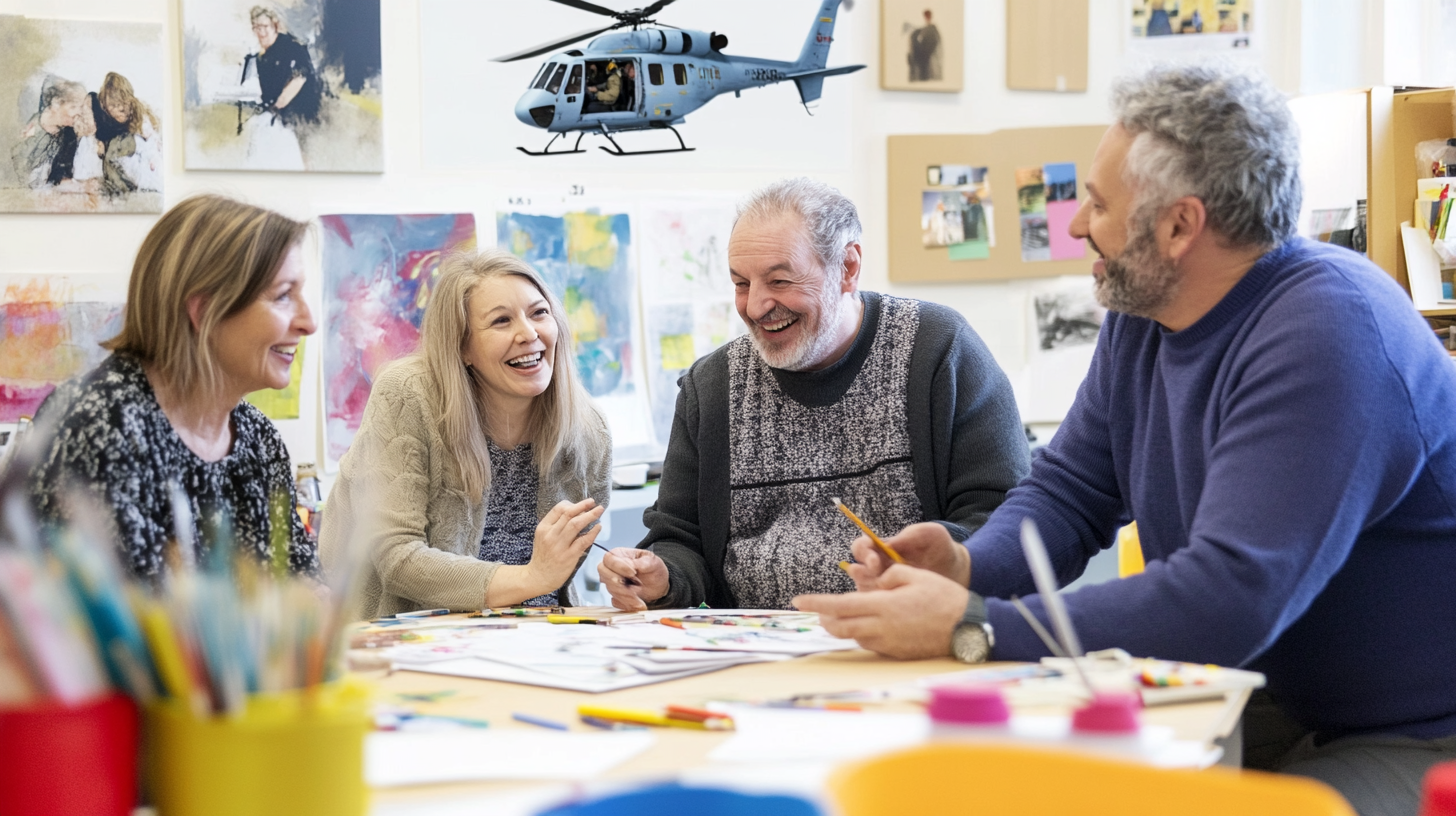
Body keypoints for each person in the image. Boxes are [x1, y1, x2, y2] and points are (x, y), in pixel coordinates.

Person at [796, 64, 1456, 816]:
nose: (1076, 224)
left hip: (1420, 731)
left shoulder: (1331, 332)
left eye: (1101, 205)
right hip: (1268, 695)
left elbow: (1230, 596)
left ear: (1180, 226)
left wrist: (975, 625)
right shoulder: (1147, 312)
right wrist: (971, 564)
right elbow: (1069, 491)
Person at [598, 177, 1030, 612]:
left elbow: (1004, 519)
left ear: (847, 268)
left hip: (909, 638)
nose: (755, 306)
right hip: (752, 653)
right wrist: (662, 576)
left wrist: (929, 561)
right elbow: (680, 538)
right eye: (741, 283)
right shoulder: (711, 386)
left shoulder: (937, 349)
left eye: (780, 281)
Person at [29, 194, 319, 580]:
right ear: (204, 311)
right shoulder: (99, 422)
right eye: (283, 295)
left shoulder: (259, 440)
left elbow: (303, 588)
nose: (308, 322)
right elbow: (115, 623)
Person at [321, 250, 612, 619]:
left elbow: (563, 567)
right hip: (406, 642)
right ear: (463, 347)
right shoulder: (407, 395)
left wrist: (624, 576)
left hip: (539, 641)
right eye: (502, 321)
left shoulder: (589, 431)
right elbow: (397, 558)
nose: (528, 333)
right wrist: (531, 577)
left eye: (539, 313)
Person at [88, 72, 162, 197]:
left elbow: (150, 154)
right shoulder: (106, 123)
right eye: (113, 105)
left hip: (141, 182)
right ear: (105, 106)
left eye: (123, 103)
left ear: (130, 100)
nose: (120, 109)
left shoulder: (141, 123)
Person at [11, 76, 86, 189]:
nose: (79, 113)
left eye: (81, 108)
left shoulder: (70, 135)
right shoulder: (29, 130)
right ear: (56, 103)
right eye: (73, 106)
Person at [250, 6, 321, 125]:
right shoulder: (261, 58)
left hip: (302, 118)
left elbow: (299, 79)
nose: (262, 32)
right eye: (257, 27)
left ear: (275, 26)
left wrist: (274, 109)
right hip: (279, 119)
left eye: (265, 26)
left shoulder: (292, 47)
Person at [908, 10, 942, 82]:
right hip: (925, 63)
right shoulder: (923, 30)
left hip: (929, 64)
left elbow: (930, 47)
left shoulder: (931, 30)